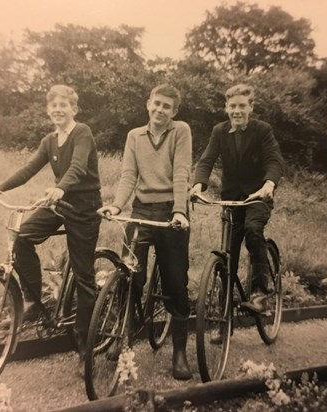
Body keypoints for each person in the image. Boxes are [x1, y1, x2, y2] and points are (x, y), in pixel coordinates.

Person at [0, 84, 102, 362]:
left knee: (83, 274)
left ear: (74, 109)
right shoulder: (49, 140)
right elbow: (28, 170)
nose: (58, 110)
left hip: (84, 206)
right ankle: (34, 298)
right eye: (53, 106)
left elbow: (78, 167)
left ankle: (84, 337)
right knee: (22, 238)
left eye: (64, 105)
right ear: (48, 110)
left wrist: (61, 187)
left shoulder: (82, 132)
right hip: (60, 203)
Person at [98, 84, 193, 380]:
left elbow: (181, 171)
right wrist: (116, 206)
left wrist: (180, 209)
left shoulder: (181, 131)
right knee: (129, 277)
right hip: (141, 211)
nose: (160, 110)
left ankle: (179, 353)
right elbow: (128, 175)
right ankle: (123, 336)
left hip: (170, 214)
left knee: (176, 282)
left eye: (167, 106)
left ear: (174, 112)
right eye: (157, 104)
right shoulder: (134, 136)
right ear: (147, 104)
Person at [190, 83, 284, 312]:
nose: (237, 111)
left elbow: (274, 160)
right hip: (231, 199)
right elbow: (206, 160)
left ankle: (260, 292)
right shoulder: (219, 131)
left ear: (251, 107)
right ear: (226, 108)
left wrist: (268, 185)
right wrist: (197, 185)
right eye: (232, 106)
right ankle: (224, 313)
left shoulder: (262, 130)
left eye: (242, 106)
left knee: (253, 231)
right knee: (227, 253)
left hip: (257, 197)